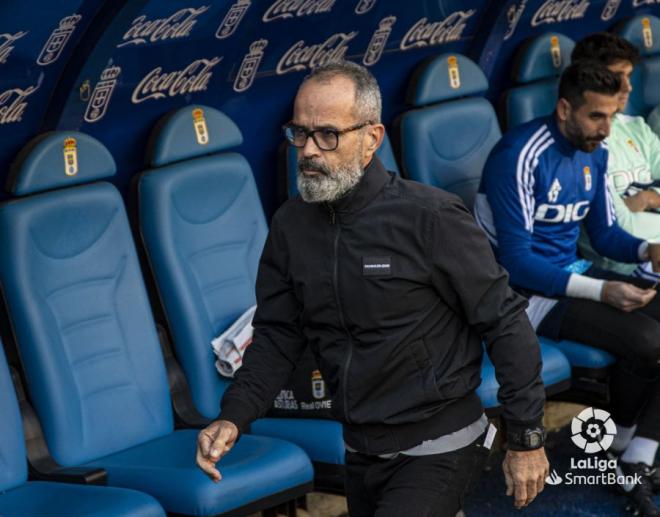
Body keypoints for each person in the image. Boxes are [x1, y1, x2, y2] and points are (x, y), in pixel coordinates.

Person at [196, 60, 549, 516]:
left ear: (371, 139)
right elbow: (278, 336)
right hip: (360, 448)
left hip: (439, 442)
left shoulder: (431, 218)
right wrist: (233, 416)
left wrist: (526, 438)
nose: (308, 150)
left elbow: (505, 321)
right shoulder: (290, 225)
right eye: (299, 133)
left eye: (327, 135)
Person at [474, 60, 660, 516]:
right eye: (596, 116)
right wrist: (603, 292)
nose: (605, 127)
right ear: (564, 109)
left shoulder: (595, 152)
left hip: (570, 273)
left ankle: (635, 453)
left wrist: (646, 251)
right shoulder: (519, 154)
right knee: (649, 339)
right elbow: (516, 263)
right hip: (519, 296)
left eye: (612, 116)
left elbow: (603, 235)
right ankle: (627, 449)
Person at [571, 32, 660, 282]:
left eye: (629, 76)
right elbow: (619, 228)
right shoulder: (581, 142)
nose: (627, 86)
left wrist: (647, 198)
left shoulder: (636, 127)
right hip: (624, 266)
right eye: (616, 76)